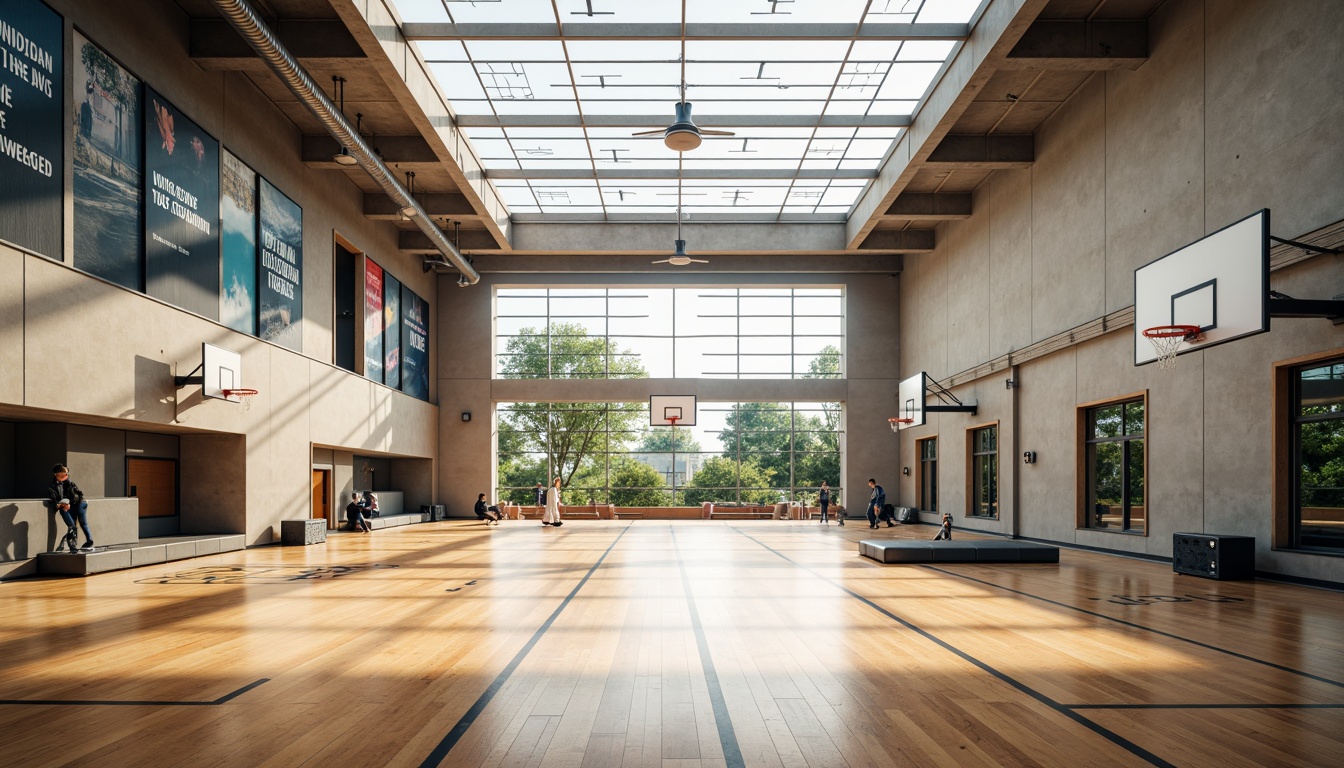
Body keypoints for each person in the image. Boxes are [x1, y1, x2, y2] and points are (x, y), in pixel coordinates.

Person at [49, 464, 94, 552]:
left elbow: (79, 495)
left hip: (80, 503)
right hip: (68, 507)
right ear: (56, 475)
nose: (65, 477)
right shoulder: (52, 487)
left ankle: (89, 541)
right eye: (62, 475)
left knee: (83, 522)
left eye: (66, 474)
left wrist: (69, 500)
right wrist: (61, 504)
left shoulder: (70, 483)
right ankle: (71, 545)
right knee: (72, 526)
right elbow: (54, 499)